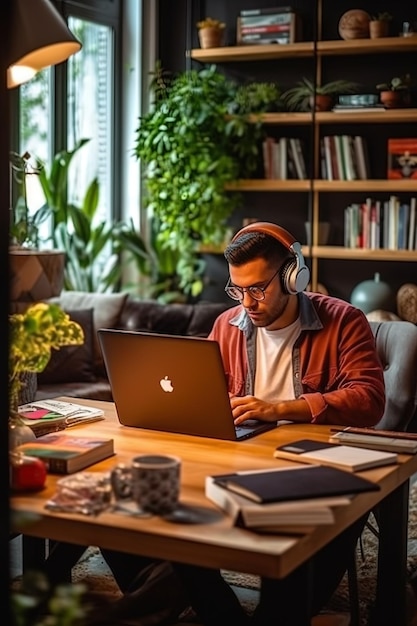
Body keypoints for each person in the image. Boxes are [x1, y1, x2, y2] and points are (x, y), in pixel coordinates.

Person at [46, 221, 387, 625]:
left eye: (258, 288)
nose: (247, 302)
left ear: (293, 277)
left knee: (297, 575)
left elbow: (370, 401)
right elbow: (201, 390)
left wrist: (282, 408)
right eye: (237, 290)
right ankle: (209, 605)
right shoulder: (226, 326)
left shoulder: (344, 321)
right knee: (127, 496)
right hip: (235, 456)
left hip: (311, 465)